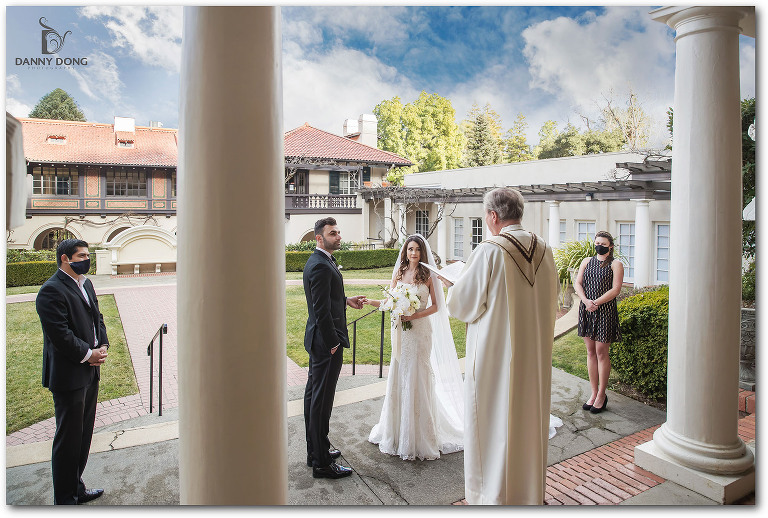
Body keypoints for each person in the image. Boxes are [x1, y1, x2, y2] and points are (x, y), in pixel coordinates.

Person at [443, 187, 559, 505]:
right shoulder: (545, 249)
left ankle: (492, 498)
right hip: (533, 358)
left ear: (493, 216)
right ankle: (528, 494)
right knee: (527, 422)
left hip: (495, 358)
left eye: (485, 215)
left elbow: (462, 306)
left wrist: (453, 285)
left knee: (492, 424)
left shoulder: (490, 250)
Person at [364, 234, 464, 460]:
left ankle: (420, 436)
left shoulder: (428, 275)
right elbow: (390, 301)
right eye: (410, 249)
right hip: (402, 332)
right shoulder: (399, 273)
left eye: (417, 249)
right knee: (400, 373)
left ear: (422, 252)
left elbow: (437, 306)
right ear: (405, 251)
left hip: (420, 332)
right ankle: (398, 432)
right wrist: (372, 302)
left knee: (417, 374)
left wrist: (415, 315)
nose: (414, 253)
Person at [36, 239, 109, 504]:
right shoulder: (50, 291)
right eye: (81, 256)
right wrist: (89, 354)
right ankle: (65, 500)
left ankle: (77, 488)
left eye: (88, 255)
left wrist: (103, 345)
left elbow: (97, 318)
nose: (86, 260)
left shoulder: (86, 283)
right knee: (68, 440)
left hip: (91, 372)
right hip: (69, 375)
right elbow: (60, 335)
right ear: (65, 258)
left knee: (83, 436)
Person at [303, 217, 366, 479]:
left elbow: (326, 298)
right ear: (319, 238)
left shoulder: (322, 260)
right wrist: (332, 343)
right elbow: (320, 310)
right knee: (321, 401)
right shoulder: (319, 265)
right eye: (333, 233)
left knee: (315, 398)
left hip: (321, 341)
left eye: (338, 232)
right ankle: (321, 464)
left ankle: (316, 450)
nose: (339, 236)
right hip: (325, 343)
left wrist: (345, 300)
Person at [573, 231, 624, 414]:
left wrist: (596, 303)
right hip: (587, 309)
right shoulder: (586, 261)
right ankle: (593, 393)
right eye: (597, 243)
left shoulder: (615, 264)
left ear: (610, 246)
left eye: (603, 244)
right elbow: (578, 283)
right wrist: (586, 301)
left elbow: (616, 289)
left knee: (601, 352)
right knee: (590, 352)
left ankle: (602, 394)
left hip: (605, 311)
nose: (599, 246)